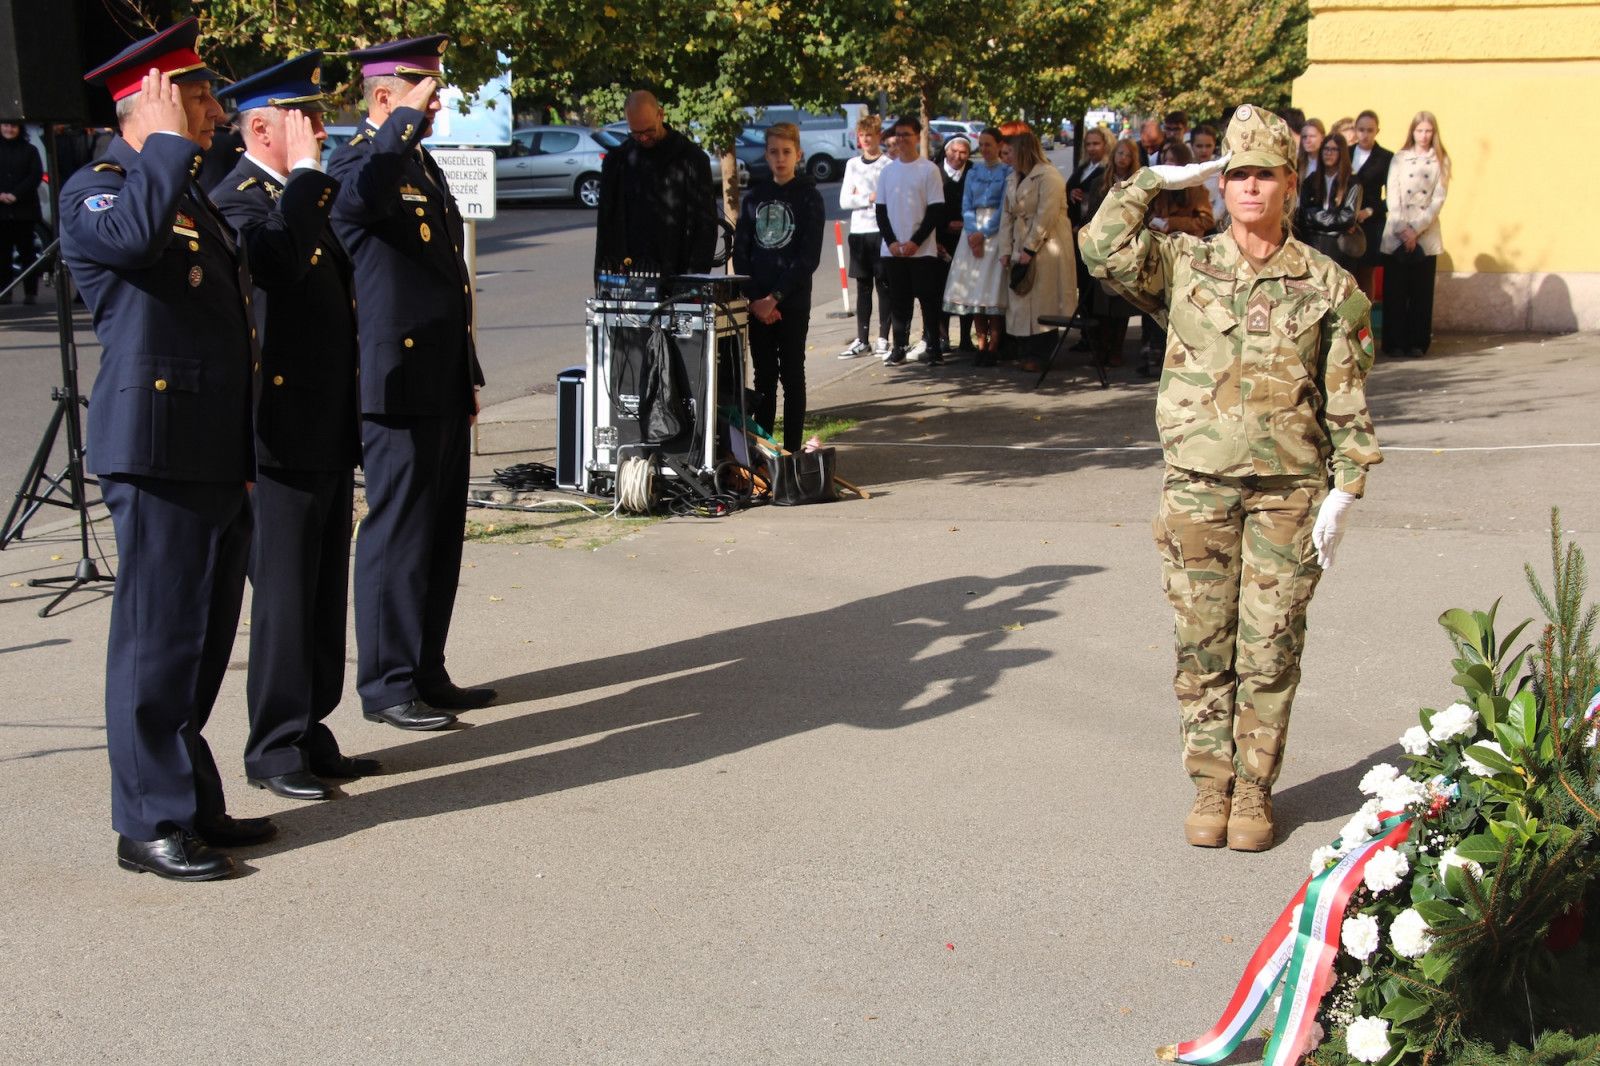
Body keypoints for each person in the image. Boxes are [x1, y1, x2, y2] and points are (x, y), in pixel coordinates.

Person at [1080, 104, 1381, 853]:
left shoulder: (1327, 284)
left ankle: (1254, 787)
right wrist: (1148, 180)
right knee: (1202, 643)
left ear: (1289, 183)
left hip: (1289, 492)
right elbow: (1099, 249)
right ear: (1221, 183)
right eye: (1237, 173)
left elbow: (1345, 394)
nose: (1250, 186)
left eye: (1265, 174)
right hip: (1198, 486)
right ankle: (1210, 784)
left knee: (1271, 647)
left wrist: (1348, 487)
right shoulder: (1185, 263)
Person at [61, 18, 275, 881]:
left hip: (211, 448)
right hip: (155, 450)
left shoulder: (181, 191)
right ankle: (146, 823)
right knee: (157, 643)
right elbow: (130, 246)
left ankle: (190, 800)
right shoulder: (100, 189)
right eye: (199, 98)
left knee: (202, 639)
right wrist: (155, 147)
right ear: (150, 104)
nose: (216, 114)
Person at [210, 52, 377, 802]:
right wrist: (308, 176)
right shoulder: (238, 201)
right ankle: (274, 747)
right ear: (260, 129)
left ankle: (310, 727)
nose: (319, 129)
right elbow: (275, 266)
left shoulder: (298, 194)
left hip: (322, 423)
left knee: (320, 592)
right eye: (303, 118)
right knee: (282, 599)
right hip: (277, 432)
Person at [329, 35, 493, 733]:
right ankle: (387, 683)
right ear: (384, 98)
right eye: (422, 97)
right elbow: (360, 201)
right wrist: (398, 127)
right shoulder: (359, 161)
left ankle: (426, 668)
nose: (434, 108)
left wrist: (465, 373)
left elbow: (446, 277)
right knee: (398, 531)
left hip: (439, 376)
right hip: (394, 382)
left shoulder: (419, 163)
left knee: (440, 532)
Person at [732, 123, 824, 453]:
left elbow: (808, 257)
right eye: (774, 152)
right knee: (764, 378)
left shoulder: (809, 197)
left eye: (786, 152)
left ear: (798, 155)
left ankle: (793, 450)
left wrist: (775, 298)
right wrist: (758, 298)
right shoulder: (754, 198)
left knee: (793, 375)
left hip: (791, 301)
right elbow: (741, 253)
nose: (780, 158)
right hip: (758, 303)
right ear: (766, 155)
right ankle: (766, 449)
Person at [592, 90, 716, 280]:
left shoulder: (691, 159)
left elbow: (705, 227)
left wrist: (694, 281)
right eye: (636, 133)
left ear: (660, 114)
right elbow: (606, 227)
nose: (643, 138)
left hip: (677, 273)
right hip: (628, 276)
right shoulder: (617, 162)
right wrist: (603, 277)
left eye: (649, 131)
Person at [996, 128, 1075, 372]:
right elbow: (1006, 216)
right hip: (1020, 240)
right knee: (1021, 297)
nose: (1007, 157)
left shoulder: (1049, 176)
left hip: (1047, 244)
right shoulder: (1013, 178)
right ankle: (1025, 350)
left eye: (1011, 152)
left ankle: (1042, 354)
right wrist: (1005, 249)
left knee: (1043, 299)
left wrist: (1030, 248)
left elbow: (1046, 216)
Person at [1137, 142, 1214, 376]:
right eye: (1166, 160)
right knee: (1154, 304)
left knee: (1181, 307)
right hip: (1160, 253)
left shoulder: (1196, 189)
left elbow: (1205, 220)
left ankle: (1176, 358)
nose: (1168, 164)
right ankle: (1153, 354)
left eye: (1173, 160)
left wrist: (1173, 223)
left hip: (1186, 252)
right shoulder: (1160, 187)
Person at [874, 115, 944, 366]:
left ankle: (933, 346)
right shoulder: (887, 171)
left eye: (907, 134)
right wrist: (892, 242)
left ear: (917, 136)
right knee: (899, 301)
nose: (901, 139)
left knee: (928, 299)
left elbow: (935, 210)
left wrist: (916, 241)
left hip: (922, 250)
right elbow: (881, 211)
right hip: (894, 250)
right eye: (898, 134)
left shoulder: (929, 169)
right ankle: (899, 346)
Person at [1380, 111, 1450, 358]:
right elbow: (1393, 194)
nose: (1424, 135)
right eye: (1420, 130)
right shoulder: (1400, 158)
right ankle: (1394, 342)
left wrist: (1416, 230)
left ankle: (1418, 342)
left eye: (1428, 131)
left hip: (1425, 233)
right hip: (1397, 231)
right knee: (1395, 291)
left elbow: (1438, 199)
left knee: (1421, 293)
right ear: (1412, 132)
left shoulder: (1441, 160)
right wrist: (1403, 229)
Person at [944, 127, 1011, 365]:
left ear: (999, 145)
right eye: (980, 144)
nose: (984, 149)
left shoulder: (1007, 172)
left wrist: (984, 233)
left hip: (994, 231)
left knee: (992, 290)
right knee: (974, 292)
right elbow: (967, 204)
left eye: (988, 144)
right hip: (972, 231)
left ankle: (994, 346)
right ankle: (980, 344)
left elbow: (1004, 206)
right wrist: (972, 233)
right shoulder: (974, 172)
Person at [1080, 138, 1140, 368]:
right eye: (1120, 153)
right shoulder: (1100, 183)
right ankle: (1100, 349)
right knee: (1101, 303)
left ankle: (1117, 349)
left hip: (1126, 245)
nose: (1123, 158)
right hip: (1103, 245)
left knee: (1121, 303)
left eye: (1128, 155)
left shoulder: (1137, 183)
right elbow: (1091, 215)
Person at [838, 114, 892, 359]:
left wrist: (871, 197)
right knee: (863, 287)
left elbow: (887, 198)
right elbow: (844, 200)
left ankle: (883, 337)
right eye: (862, 136)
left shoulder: (887, 165)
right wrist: (867, 197)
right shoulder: (852, 165)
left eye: (870, 135)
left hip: (880, 230)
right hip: (859, 231)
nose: (866, 140)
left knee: (883, 285)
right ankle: (862, 338)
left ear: (878, 136)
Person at [1066, 125, 1109, 349]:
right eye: (1088, 144)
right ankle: (1085, 334)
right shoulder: (1083, 167)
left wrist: (1085, 197)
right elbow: (1070, 188)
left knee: (1094, 288)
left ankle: (1095, 337)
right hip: (1076, 231)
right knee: (1081, 284)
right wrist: (1071, 193)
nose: (1092, 148)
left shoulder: (1106, 169)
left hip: (1093, 233)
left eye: (1096, 144)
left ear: (1105, 145)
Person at [1297, 133, 1364, 271]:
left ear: (1342, 153)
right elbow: (1304, 213)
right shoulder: (1311, 180)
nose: (1329, 153)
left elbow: (1348, 217)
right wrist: (1331, 221)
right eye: (1326, 149)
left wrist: (1317, 218)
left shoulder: (1352, 183)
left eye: (1334, 149)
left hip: (1339, 245)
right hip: (1313, 242)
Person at [934, 134, 972, 354]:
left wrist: (967, 224)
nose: (958, 156)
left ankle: (966, 338)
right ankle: (943, 336)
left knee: (967, 288)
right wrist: (940, 231)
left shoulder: (973, 172)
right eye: (954, 151)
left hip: (967, 237)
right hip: (941, 238)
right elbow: (928, 207)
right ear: (946, 151)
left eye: (963, 152)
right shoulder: (934, 171)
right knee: (941, 288)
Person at [1348, 110, 1392, 298]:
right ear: (1355, 130)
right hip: (1347, 222)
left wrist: (1370, 211)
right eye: (1361, 130)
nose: (1365, 135)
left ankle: (1367, 314)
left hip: (1372, 223)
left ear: (1377, 131)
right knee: (1347, 272)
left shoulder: (1386, 157)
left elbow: (1392, 196)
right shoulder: (1346, 153)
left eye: (1370, 130)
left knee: (1366, 273)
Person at [0, 120, 42, 304]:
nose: (9, 129)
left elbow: (35, 176)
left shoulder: (30, 150)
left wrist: (15, 194)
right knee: (2, 255)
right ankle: (4, 292)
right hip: (2, 212)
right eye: (5, 125)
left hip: (24, 211)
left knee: (27, 254)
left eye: (13, 126)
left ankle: (30, 293)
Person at [1190, 124, 1225, 226]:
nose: (1204, 150)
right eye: (1199, 146)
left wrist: (1208, 221)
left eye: (1208, 146)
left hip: (1214, 223)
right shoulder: (1185, 169)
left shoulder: (1221, 168)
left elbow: (1222, 200)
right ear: (1192, 146)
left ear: (1214, 145)